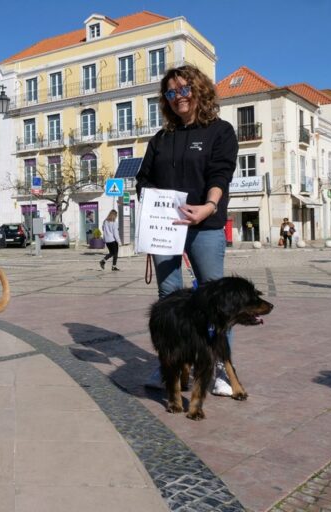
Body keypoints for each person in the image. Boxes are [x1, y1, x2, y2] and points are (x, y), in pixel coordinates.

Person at [135, 64, 238, 396]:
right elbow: (144, 179)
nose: (178, 97)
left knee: (215, 298)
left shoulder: (220, 132)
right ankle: (172, 364)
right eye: (171, 92)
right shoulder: (161, 139)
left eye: (183, 89)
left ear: (199, 90)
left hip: (204, 224)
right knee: (169, 298)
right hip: (165, 228)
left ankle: (219, 366)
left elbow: (220, 175)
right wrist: (152, 207)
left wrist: (208, 206)